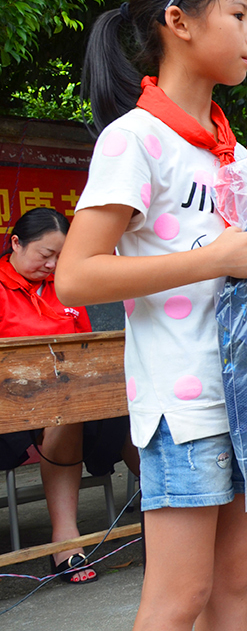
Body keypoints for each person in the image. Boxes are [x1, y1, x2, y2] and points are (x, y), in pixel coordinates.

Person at [59, 0, 247, 631]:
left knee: (235, 586)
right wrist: (216, 258)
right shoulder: (136, 139)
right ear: (179, 22)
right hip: (184, 411)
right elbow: (75, 276)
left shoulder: (237, 160)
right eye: (240, 15)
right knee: (178, 595)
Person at [0, 208, 138, 583]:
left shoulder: (65, 286)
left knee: (129, 406)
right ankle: (65, 540)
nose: (53, 264)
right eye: (46, 254)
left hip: (72, 400)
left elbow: (84, 351)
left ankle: (174, 507)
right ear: (16, 243)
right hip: (12, 411)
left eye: (60, 256)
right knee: (67, 414)